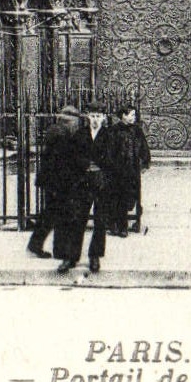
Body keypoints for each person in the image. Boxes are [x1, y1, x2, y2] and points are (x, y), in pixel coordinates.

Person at [27, 105, 92, 273]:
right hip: (58, 180)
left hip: (52, 179)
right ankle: (54, 249)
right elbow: (60, 160)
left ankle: (36, 244)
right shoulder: (62, 134)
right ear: (70, 120)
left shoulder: (56, 130)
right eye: (76, 120)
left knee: (50, 213)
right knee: (58, 214)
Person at [106, 102, 151, 235]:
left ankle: (124, 226)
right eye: (131, 115)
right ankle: (115, 226)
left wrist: (145, 162)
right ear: (123, 116)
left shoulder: (137, 130)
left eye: (134, 115)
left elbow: (143, 147)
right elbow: (109, 151)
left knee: (128, 197)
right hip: (116, 170)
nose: (134, 118)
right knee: (115, 197)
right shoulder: (113, 130)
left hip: (132, 170)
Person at [83, 109, 110, 273]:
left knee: (100, 219)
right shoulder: (81, 133)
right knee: (78, 218)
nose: (95, 119)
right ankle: (70, 256)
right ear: (87, 117)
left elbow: (112, 157)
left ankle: (95, 256)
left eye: (98, 116)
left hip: (101, 180)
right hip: (83, 180)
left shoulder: (109, 135)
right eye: (92, 116)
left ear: (103, 118)